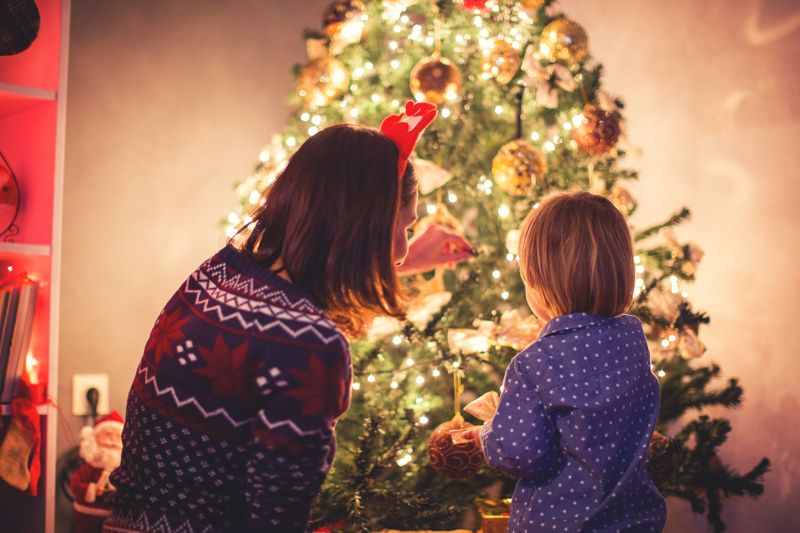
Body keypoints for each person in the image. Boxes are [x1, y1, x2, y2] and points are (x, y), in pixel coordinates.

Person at [103, 102, 437, 532]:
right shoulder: (309, 344)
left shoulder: (216, 275)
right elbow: (276, 518)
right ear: (361, 228)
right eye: (403, 228)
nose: (402, 251)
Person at [461, 191, 666, 532]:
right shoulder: (632, 340)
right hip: (634, 520)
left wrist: (486, 434)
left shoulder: (534, 363)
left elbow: (519, 451)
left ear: (539, 283)